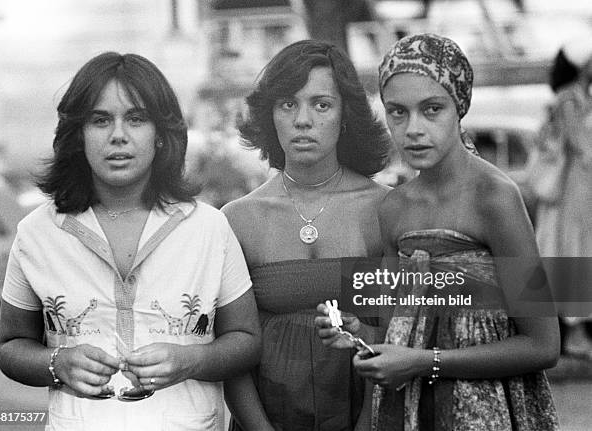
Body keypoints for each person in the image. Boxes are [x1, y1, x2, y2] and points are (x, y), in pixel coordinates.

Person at [0, 52, 260, 431]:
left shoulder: (208, 228)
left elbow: (247, 341)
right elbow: (10, 348)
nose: (118, 135)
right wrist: (58, 363)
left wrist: (191, 360)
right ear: (78, 135)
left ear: (160, 135)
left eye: (136, 119)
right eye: (100, 120)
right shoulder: (37, 233)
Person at [317, 33, 559, 430]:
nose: (413, 129)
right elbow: (399, 322)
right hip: (411, 412)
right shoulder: (394, 208)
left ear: (459, 107)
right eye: (397, 112)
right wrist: (358, 332)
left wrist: (425, 363)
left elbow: (544, 344)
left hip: (486, 412)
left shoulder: (494, 198)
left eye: (432, 109)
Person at [222, 40, 392, 430]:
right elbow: (233, 352)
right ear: (270, 116)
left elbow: (400, 337)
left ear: (345, 115)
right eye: (288, 104)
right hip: (264, 419)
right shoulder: (237, 219)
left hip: (367, 415)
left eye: (321, 104)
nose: (303, 120)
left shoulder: (385, 210)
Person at [533, 39, 592, 359]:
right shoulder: (570, 99)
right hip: (572, 193)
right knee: (574, 254)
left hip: (578, 193)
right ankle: (575, 333)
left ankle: (575, 331)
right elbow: (582, 147)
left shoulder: (577, 97)